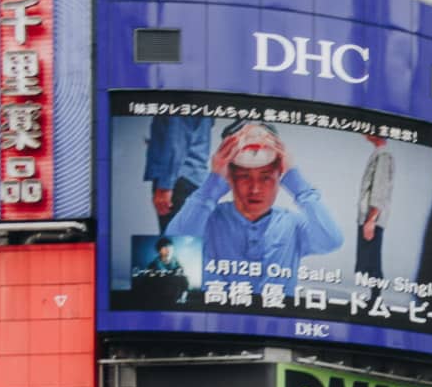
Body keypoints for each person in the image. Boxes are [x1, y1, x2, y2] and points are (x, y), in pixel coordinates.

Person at [168, 121, 343, 301]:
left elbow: (331, 240)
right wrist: (213, 182)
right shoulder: (208, 220)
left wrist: (296, 180)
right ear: (230, 178)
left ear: (279, 177)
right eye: (244, 176)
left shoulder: (292, 224)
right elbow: (175, 239)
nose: (255, 189)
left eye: (266, 177)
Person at [353, 133, 394, 285]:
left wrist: (371, 220)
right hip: (369, 217)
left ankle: (375, 300)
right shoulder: (380, 154)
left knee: (372, 261)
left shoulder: (383, 155)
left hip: (372, 218)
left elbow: (379, 188)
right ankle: (374, 300)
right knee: (370, 260)